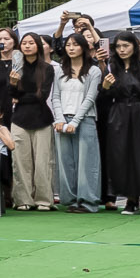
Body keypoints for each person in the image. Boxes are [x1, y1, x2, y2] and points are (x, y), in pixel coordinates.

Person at [98, 33, 140, 214]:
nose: (122, 50)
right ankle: (130, 199)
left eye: (125, 46)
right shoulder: (112, 70)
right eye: (118, 47)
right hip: (118, 116)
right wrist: (105, 87)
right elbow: (103, 97)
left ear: (134, 46)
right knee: (122, 157)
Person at [4, 32, 57, 212]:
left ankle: (43, 199)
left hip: (42, 118)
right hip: (19, 119)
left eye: (31, 43)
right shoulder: (16, 67)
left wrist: (20, 97)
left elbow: (42, 96)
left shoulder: (47, 68)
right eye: (24, 43)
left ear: (38, 46)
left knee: (43, 162)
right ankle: (22, 199)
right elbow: (11, 95)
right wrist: (12, 85)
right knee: (20, 162)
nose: (27, 46)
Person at [51, 34, 103, 212]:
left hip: (85, 118)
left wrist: (75, 120)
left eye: (75, 45)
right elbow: (55, 96)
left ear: (83, 47)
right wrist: (59, 118)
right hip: (62, 118)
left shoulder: (93, 71)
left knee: (87, 161)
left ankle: (88, 201)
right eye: (68, 45)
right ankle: (70, 199)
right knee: (65, 161)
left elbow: (90, 98)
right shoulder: (59, 70)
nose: (71, 48)